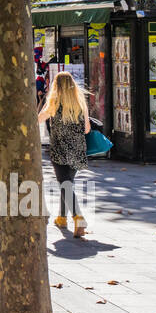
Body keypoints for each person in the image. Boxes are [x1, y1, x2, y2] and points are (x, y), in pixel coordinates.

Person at [37, 71, 91, 238]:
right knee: (67, 182)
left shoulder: (54, 102)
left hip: (60, 148)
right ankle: (61, 218)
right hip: (78, 149)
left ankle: (78, 217)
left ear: (56, 86)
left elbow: (39, 119)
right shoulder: (80, 103)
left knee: (64, 183)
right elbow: (87, 128)